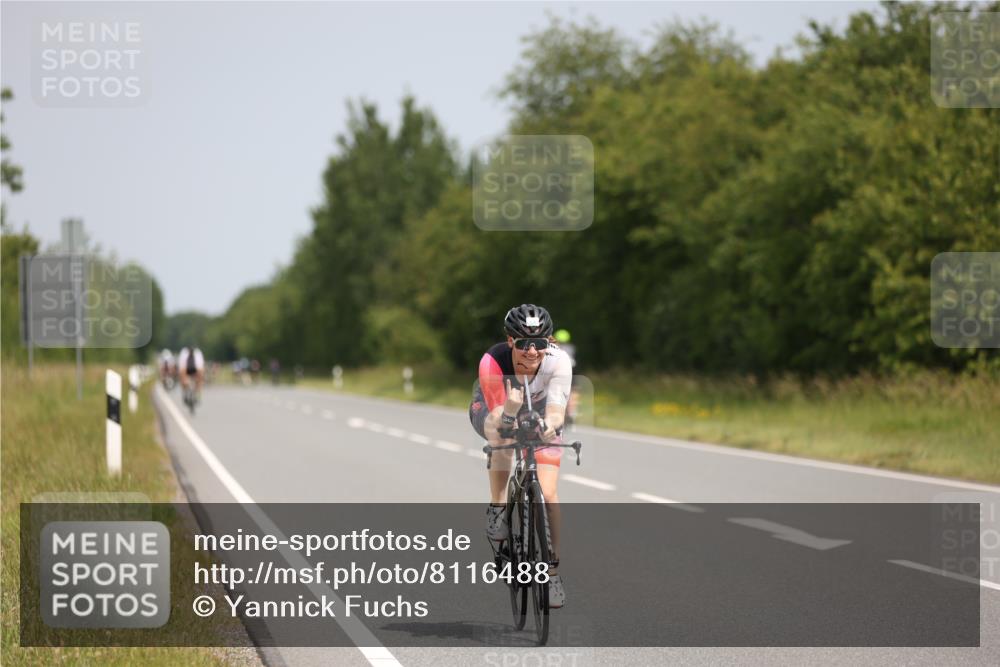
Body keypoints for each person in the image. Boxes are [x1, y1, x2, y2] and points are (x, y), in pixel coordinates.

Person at [469, 304, 572, 608]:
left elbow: (556, 408)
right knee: (500, 436)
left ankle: (552, 573)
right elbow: (500, 416)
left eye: (539, 344)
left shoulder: (559, 362)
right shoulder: (493, 361)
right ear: (510, 340)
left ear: (549, 342)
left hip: (539, 415)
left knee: (549, 493)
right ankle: (498, 507)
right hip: (497, 409)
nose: (531, 351)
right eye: (523, 343)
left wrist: (550, 426)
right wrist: (511, 411)